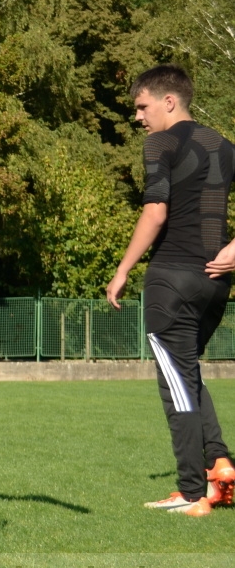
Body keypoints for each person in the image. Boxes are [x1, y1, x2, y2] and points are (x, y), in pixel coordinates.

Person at [106, 64, 235, 517]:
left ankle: (190, 492)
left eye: (141, 107)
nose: (138, 117)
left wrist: (123, 269)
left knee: (175, 386)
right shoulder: (222, 144)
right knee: (188, 375)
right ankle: (219, 465)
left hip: (172, 279)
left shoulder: (160, 142)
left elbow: (155, 213)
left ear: (168, 100)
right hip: (216, 282)